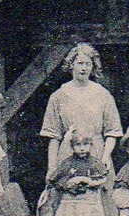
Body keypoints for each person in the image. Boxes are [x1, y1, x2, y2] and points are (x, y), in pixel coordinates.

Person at [41, 43, 122, 175]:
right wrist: (52, 166)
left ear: (93, 67)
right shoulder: (58, 96)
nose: (83, 68)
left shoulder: (103, 95)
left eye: (88, 64)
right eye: (79, 63)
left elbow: (112, 131)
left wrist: (106, 156)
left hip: (97, 154)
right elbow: (53, 136)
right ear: (71, 64)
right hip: (68, 154)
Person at [38, 129, 112, 216]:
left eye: (86, 144)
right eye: (78, 145)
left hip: (88, 202)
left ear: (91, 145)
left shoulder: (95, 163)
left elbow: (102, 179)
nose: (82, 148)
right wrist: (68, 184)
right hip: (71, 202)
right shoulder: (67, 164)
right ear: (72, 146)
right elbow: (57, 180)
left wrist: (87, 180)